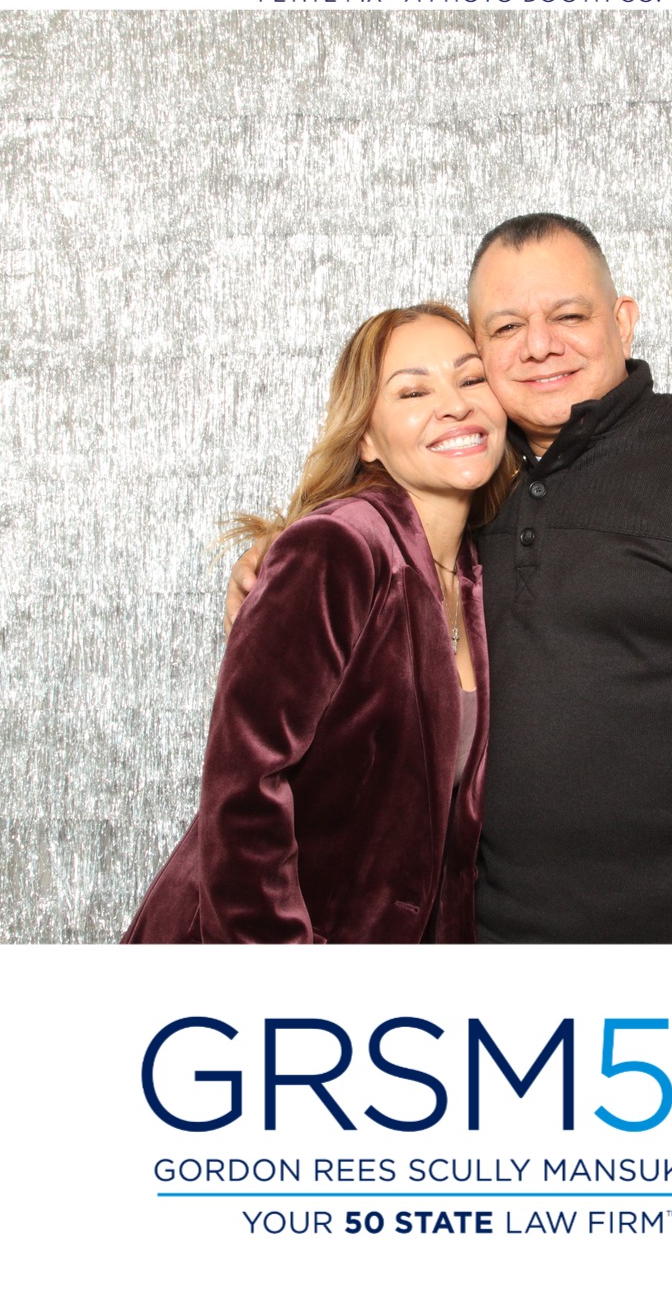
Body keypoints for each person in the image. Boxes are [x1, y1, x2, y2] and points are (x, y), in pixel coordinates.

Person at [226, 215, 672, 945]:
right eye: (506, 327)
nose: (539, 345)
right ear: (481, 349)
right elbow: (372, 540)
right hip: (477, 951)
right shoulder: (474, 482)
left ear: (623, 321)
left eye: (569, 316)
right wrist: (280, 556)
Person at [123, 303, 514, 944]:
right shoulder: (338, 546)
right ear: (366, 439)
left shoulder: (477, 572)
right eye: (413, 391)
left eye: (471, 379)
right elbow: (244, 786)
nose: (455, 405)